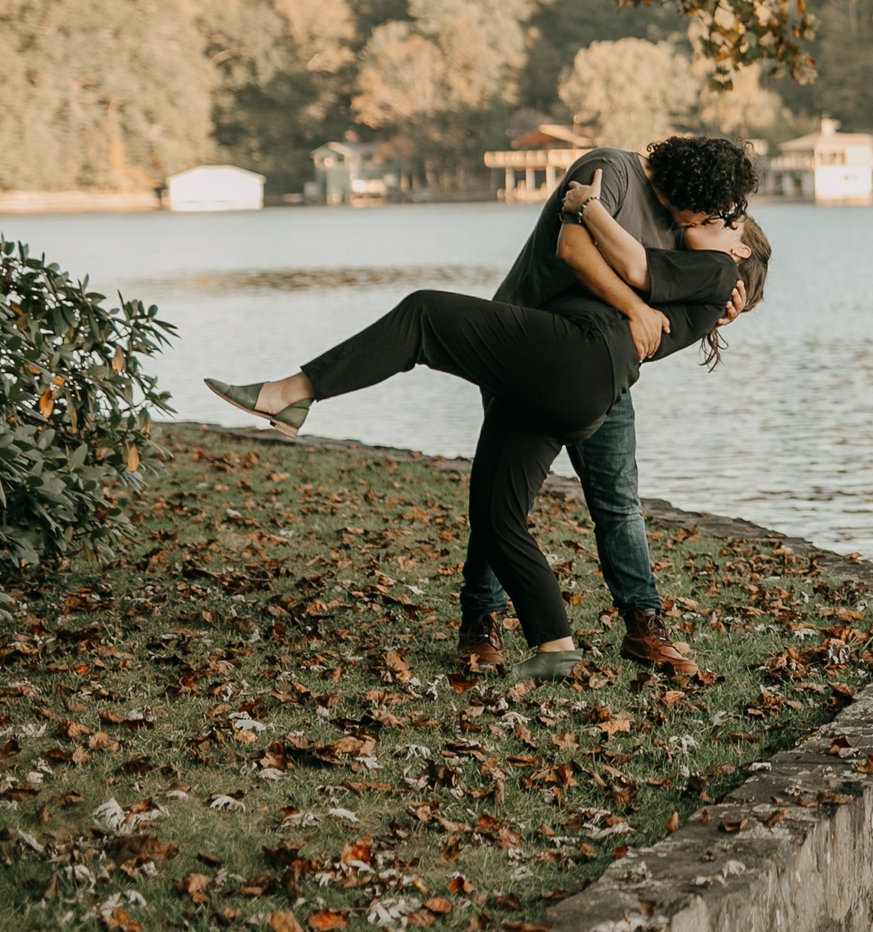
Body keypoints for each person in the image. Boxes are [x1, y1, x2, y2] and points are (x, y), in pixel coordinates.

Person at [206, 193, 771, 682]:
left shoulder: (718, 272)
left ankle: (292, 392)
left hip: (576, 359)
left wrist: (584, 206)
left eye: (730, 220)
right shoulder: (701, 278)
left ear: (739, 250)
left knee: (424, 314)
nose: (716, 216)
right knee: (498, 514)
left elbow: (636, 263)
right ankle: (554, 646)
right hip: (565, 383)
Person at [458, 136, 760, 677]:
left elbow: (696, 281)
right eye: (713, 210)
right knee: (505, 502)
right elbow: (573, 253)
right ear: (693, 191)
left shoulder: (686, 228)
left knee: (619, 502)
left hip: (597, 373)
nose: (715, 218)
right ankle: (480, 622)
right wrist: (638, 306)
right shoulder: (610, 170)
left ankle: (644, 626)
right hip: (523, 346)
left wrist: (722, 303)